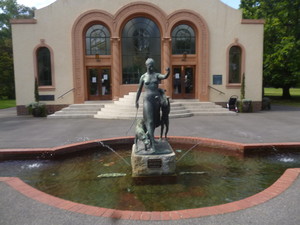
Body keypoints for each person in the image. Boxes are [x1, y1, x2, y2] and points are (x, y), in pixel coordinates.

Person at [135, 58, 170, 152]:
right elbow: (139, 90)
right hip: (147, 100)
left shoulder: (157, 75)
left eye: (152, 65)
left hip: (156, 101)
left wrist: (168, 71)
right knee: (149, 121)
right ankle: (153, 146)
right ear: (146, 65)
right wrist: (136, 101)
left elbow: (165, 76)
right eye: (149, 65)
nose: (151, 67)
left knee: (155, 121)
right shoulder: (143, 77)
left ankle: (152, 139)